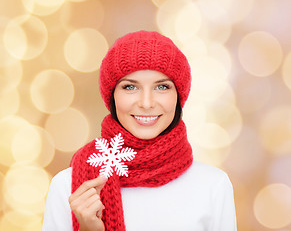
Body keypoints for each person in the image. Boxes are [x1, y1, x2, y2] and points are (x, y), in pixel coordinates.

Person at [43, 30, 237, 231]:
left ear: (178, 97)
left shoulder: (213, 185)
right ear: (112, 96)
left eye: (162, 87)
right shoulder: (70, 187)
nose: (146, 103)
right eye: (130, 87)